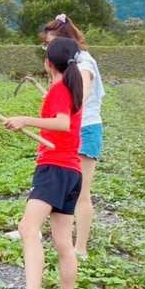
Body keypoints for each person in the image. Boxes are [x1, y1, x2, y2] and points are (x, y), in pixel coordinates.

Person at [1, 37, 84, 289]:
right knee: (63, 243)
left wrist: (25, 119)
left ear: (49, 62)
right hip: (72, 170)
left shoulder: (60, 88)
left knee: (27, 228)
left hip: (55, 168)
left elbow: (62, 123)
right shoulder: (73, 86)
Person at [39, 14, 105, 258]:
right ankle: (40, 230)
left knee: (81, 191)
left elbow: (83, 92)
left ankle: (81, 248)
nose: (48, 49)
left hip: (85, 131)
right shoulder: (69, 65)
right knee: (57, 183)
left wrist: (64, 109)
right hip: (72, 131)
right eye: (46, 44)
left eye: (51, 43)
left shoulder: (83, 64)